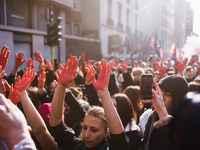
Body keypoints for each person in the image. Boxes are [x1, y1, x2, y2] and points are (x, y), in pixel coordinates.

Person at [49, 57, 129, 150]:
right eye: (84, 128)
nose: (86, 135)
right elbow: (56, 127)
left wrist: (104, 92)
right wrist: (61, 86)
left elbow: (119, 139)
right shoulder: (76, 147)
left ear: (107, 132)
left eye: (94, 130)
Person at [139, 74, 189, 150]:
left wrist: (163, 116)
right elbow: (147, 143)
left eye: (167, 94)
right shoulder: (152, 116)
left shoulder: (186, 123)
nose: (161, 98)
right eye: (159, 93)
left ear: (178, 97)